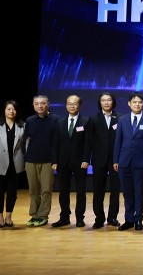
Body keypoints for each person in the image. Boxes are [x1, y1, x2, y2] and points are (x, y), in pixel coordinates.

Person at [113, 91, 143, 231]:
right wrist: (116, 160)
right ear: (129, 103)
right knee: (127, 192)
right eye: (134, 102)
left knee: (139, 191)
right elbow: (118, 141)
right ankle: (128, 219)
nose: (137, 104)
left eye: (140, 102)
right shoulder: (122, 120)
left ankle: (138, 219)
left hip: (141, 162)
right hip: (124, 161)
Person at [82, 92, 121, 229]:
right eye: (103, 100)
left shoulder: (120, 118)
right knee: (98, 190)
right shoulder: (93, 119)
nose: (106, 102)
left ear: (113, 102)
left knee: (115, 190)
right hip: (98, 160)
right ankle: (99, 218)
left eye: (109, 100)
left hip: (116, 160)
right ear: (99, 103)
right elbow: (88, 142)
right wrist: (86, 159)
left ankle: (112, 217)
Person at [51, 94, 90, 228]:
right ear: (66, 105)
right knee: (63, 191)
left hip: (80, 163)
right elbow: (55, 143)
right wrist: (54, 161)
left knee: (80, 191)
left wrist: (86, 159)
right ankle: (64, 217)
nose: (72, 106)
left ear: (79, 105)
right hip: (63, 162)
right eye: (69, 103)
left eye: (74, 104)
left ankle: (80, 218)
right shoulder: (60, 122)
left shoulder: (86, 121)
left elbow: (87, 144)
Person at [0, 100, 26, 228]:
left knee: (12, 192)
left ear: (17, 111)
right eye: (8, 109)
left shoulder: (22, 126)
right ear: (4, 110)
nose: (11, 111)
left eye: (13, 109)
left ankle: (8, 217)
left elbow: (26, 146)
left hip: (16, 164)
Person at [23, 94, 60, 227]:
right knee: (33, 189)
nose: (40, 106)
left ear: (48, 104)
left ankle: (43, 215)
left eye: (43, 103)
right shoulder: (30, 120)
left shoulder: (56, 120)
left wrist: (56, 160)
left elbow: (58, 142)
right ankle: (34, 215)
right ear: (33, 105)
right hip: (31, 160)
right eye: (37, 103)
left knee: (46, 190)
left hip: (48, 161)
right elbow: (25, 141)